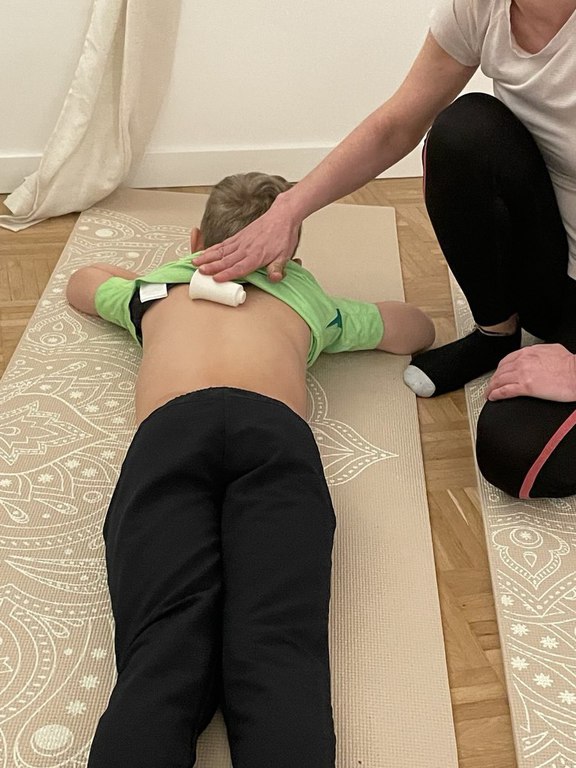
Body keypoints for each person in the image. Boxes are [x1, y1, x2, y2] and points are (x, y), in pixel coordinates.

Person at [66, 172, 434, 768]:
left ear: (196, 241)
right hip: (273, 438)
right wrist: (315, 295)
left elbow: (82, 283)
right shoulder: (310, 304)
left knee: (163, 645)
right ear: (289, 256)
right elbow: (414, 327)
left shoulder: (155, 291)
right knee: (277, 645)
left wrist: (168, 273)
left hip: (169, 438)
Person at [192, 1, 576, 499]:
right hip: (554, 268)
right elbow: (396, 125)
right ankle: (497, 334)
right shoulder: (481, 7)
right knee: (464, 132)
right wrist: (288, 208)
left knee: (516, 456)